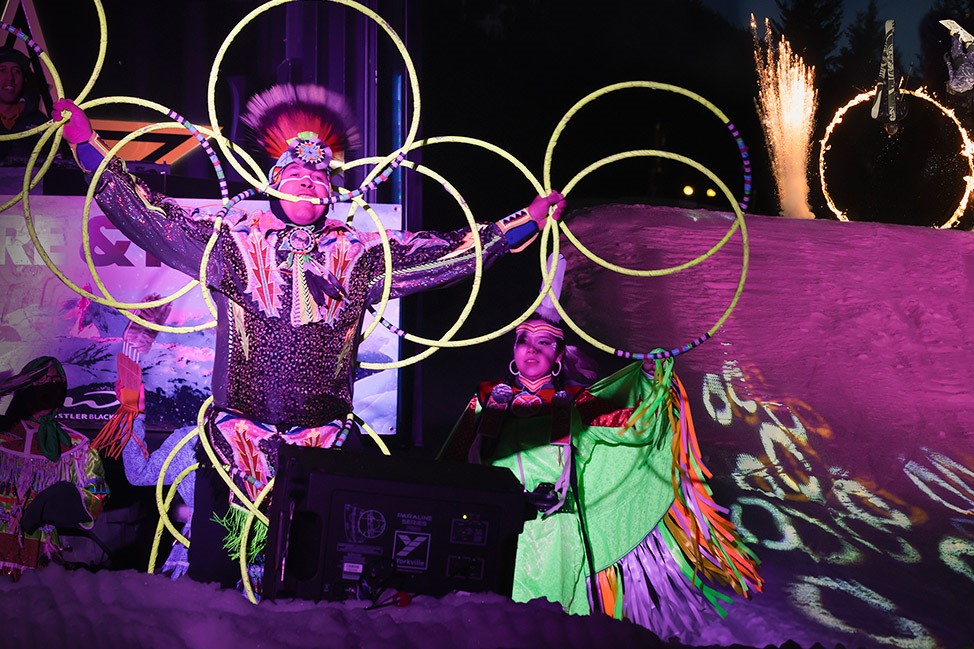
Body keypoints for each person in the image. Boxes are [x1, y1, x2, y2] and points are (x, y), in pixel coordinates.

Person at [52, 85, 564, 589]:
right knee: (220, 592)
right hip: (235, 445)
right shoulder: (232, 243)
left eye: (319, 179)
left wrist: (524, 223)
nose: (309, 185)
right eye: (296, 175)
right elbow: (151, 215)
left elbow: (448, 253)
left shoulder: (360, 252)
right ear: (274, 182)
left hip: (325, 450)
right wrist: (85, 144)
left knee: (316, 589)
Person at [439, 282, 762, 638]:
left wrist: (649, 379)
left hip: (554, 539)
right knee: (488, 630)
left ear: (560, 356)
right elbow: (450, 466)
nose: (531, 350)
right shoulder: (489, 402)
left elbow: (630, 424)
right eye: (523, 341)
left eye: (543, 342)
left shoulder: (574, 406)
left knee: (547, 631)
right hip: (495, 536)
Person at [0, 357, 109, 579]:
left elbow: (98, 493)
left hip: (41, 547)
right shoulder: (3, 433)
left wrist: (64, 500)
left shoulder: (76, 446)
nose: (48, 387)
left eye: (55, 381)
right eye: (40, 381)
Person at [0, 46, 47, 164]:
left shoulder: (40, 123)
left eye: (17, 71)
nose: (10, 78)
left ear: (24, 80)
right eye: (2, 70)